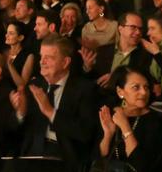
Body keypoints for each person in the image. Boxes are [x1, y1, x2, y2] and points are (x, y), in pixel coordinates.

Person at [10, 35, 98, 172]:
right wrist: (20, 113)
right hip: (31, 154)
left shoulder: (85, 89)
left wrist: (50, 111)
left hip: (63, 155)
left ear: (65, 62)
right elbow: (15, 131)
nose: (42, 62)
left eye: (49, 57)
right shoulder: (34, 85)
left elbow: (85, 133)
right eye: (41, 56)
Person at [96, 66, 162, 172]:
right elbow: (98, 158)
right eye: (136, 87)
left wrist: (126, 128)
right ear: (120, 91)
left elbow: (141, 165)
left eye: (146, 87)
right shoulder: (110, 114)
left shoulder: (156, 121)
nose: (143, 92)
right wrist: (108, 135)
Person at [4, 22, 36, 89]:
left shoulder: (29, 55)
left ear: (20, 37)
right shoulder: (3, 52)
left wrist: (10, 66)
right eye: (7, 32)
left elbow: (22, 84)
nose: (6, 35)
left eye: (11, 33)